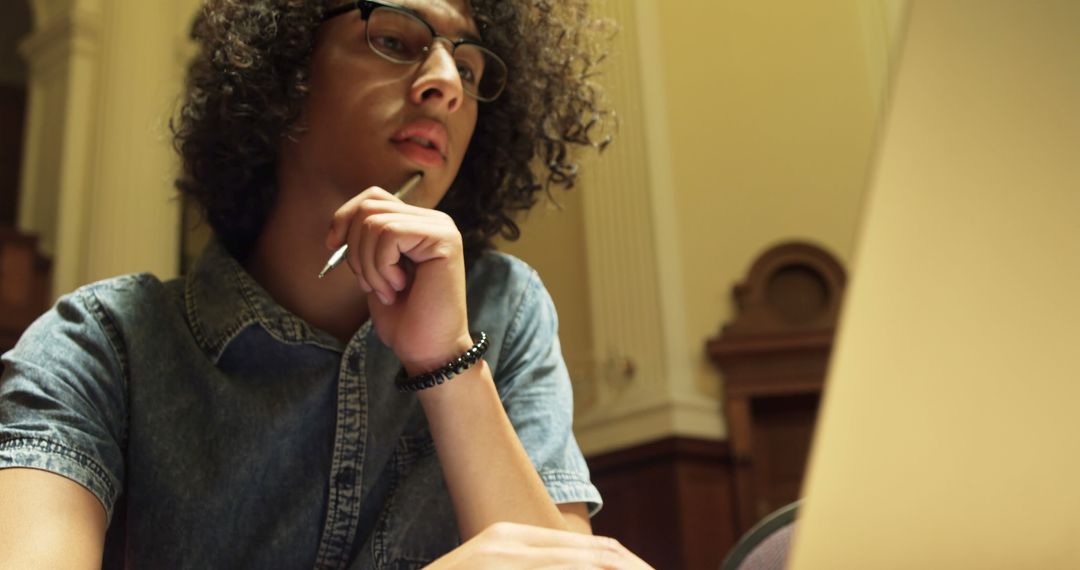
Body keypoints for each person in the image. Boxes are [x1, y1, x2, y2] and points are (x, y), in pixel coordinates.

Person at [0, 0, 653, 568]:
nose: (447, 84)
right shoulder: (101, 347)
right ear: (282, 71)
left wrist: (448, 360)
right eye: (396, 40)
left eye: (470, 70)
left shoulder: (505, 309)